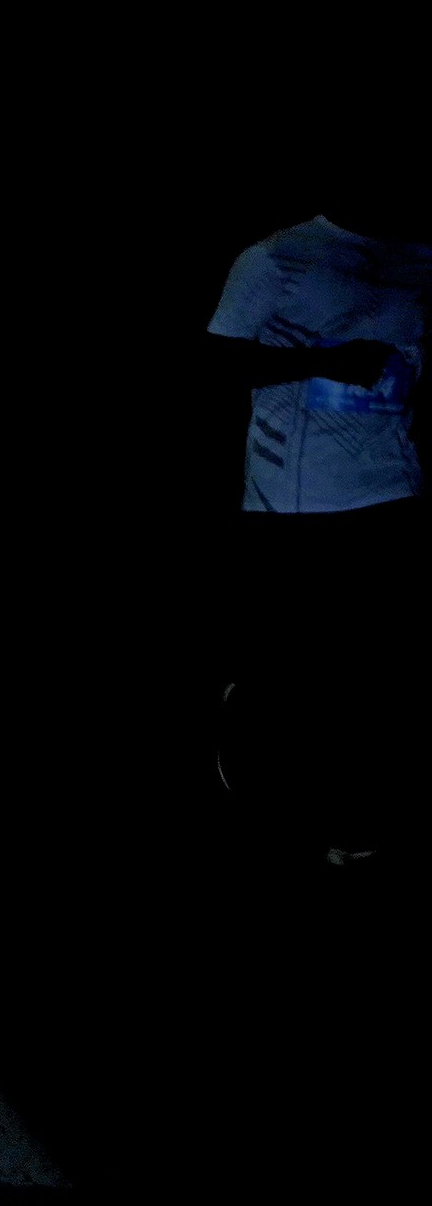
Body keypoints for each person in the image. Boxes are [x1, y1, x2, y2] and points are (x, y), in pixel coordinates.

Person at [205, 194, 426, 865]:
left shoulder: (418, 259)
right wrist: (323, 363)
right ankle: (253, 723)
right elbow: (216, 364)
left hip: (392, 488)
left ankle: (352, 822)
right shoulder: (277, 257)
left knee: (368, 667)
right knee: (299, 666)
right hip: (291, 501)